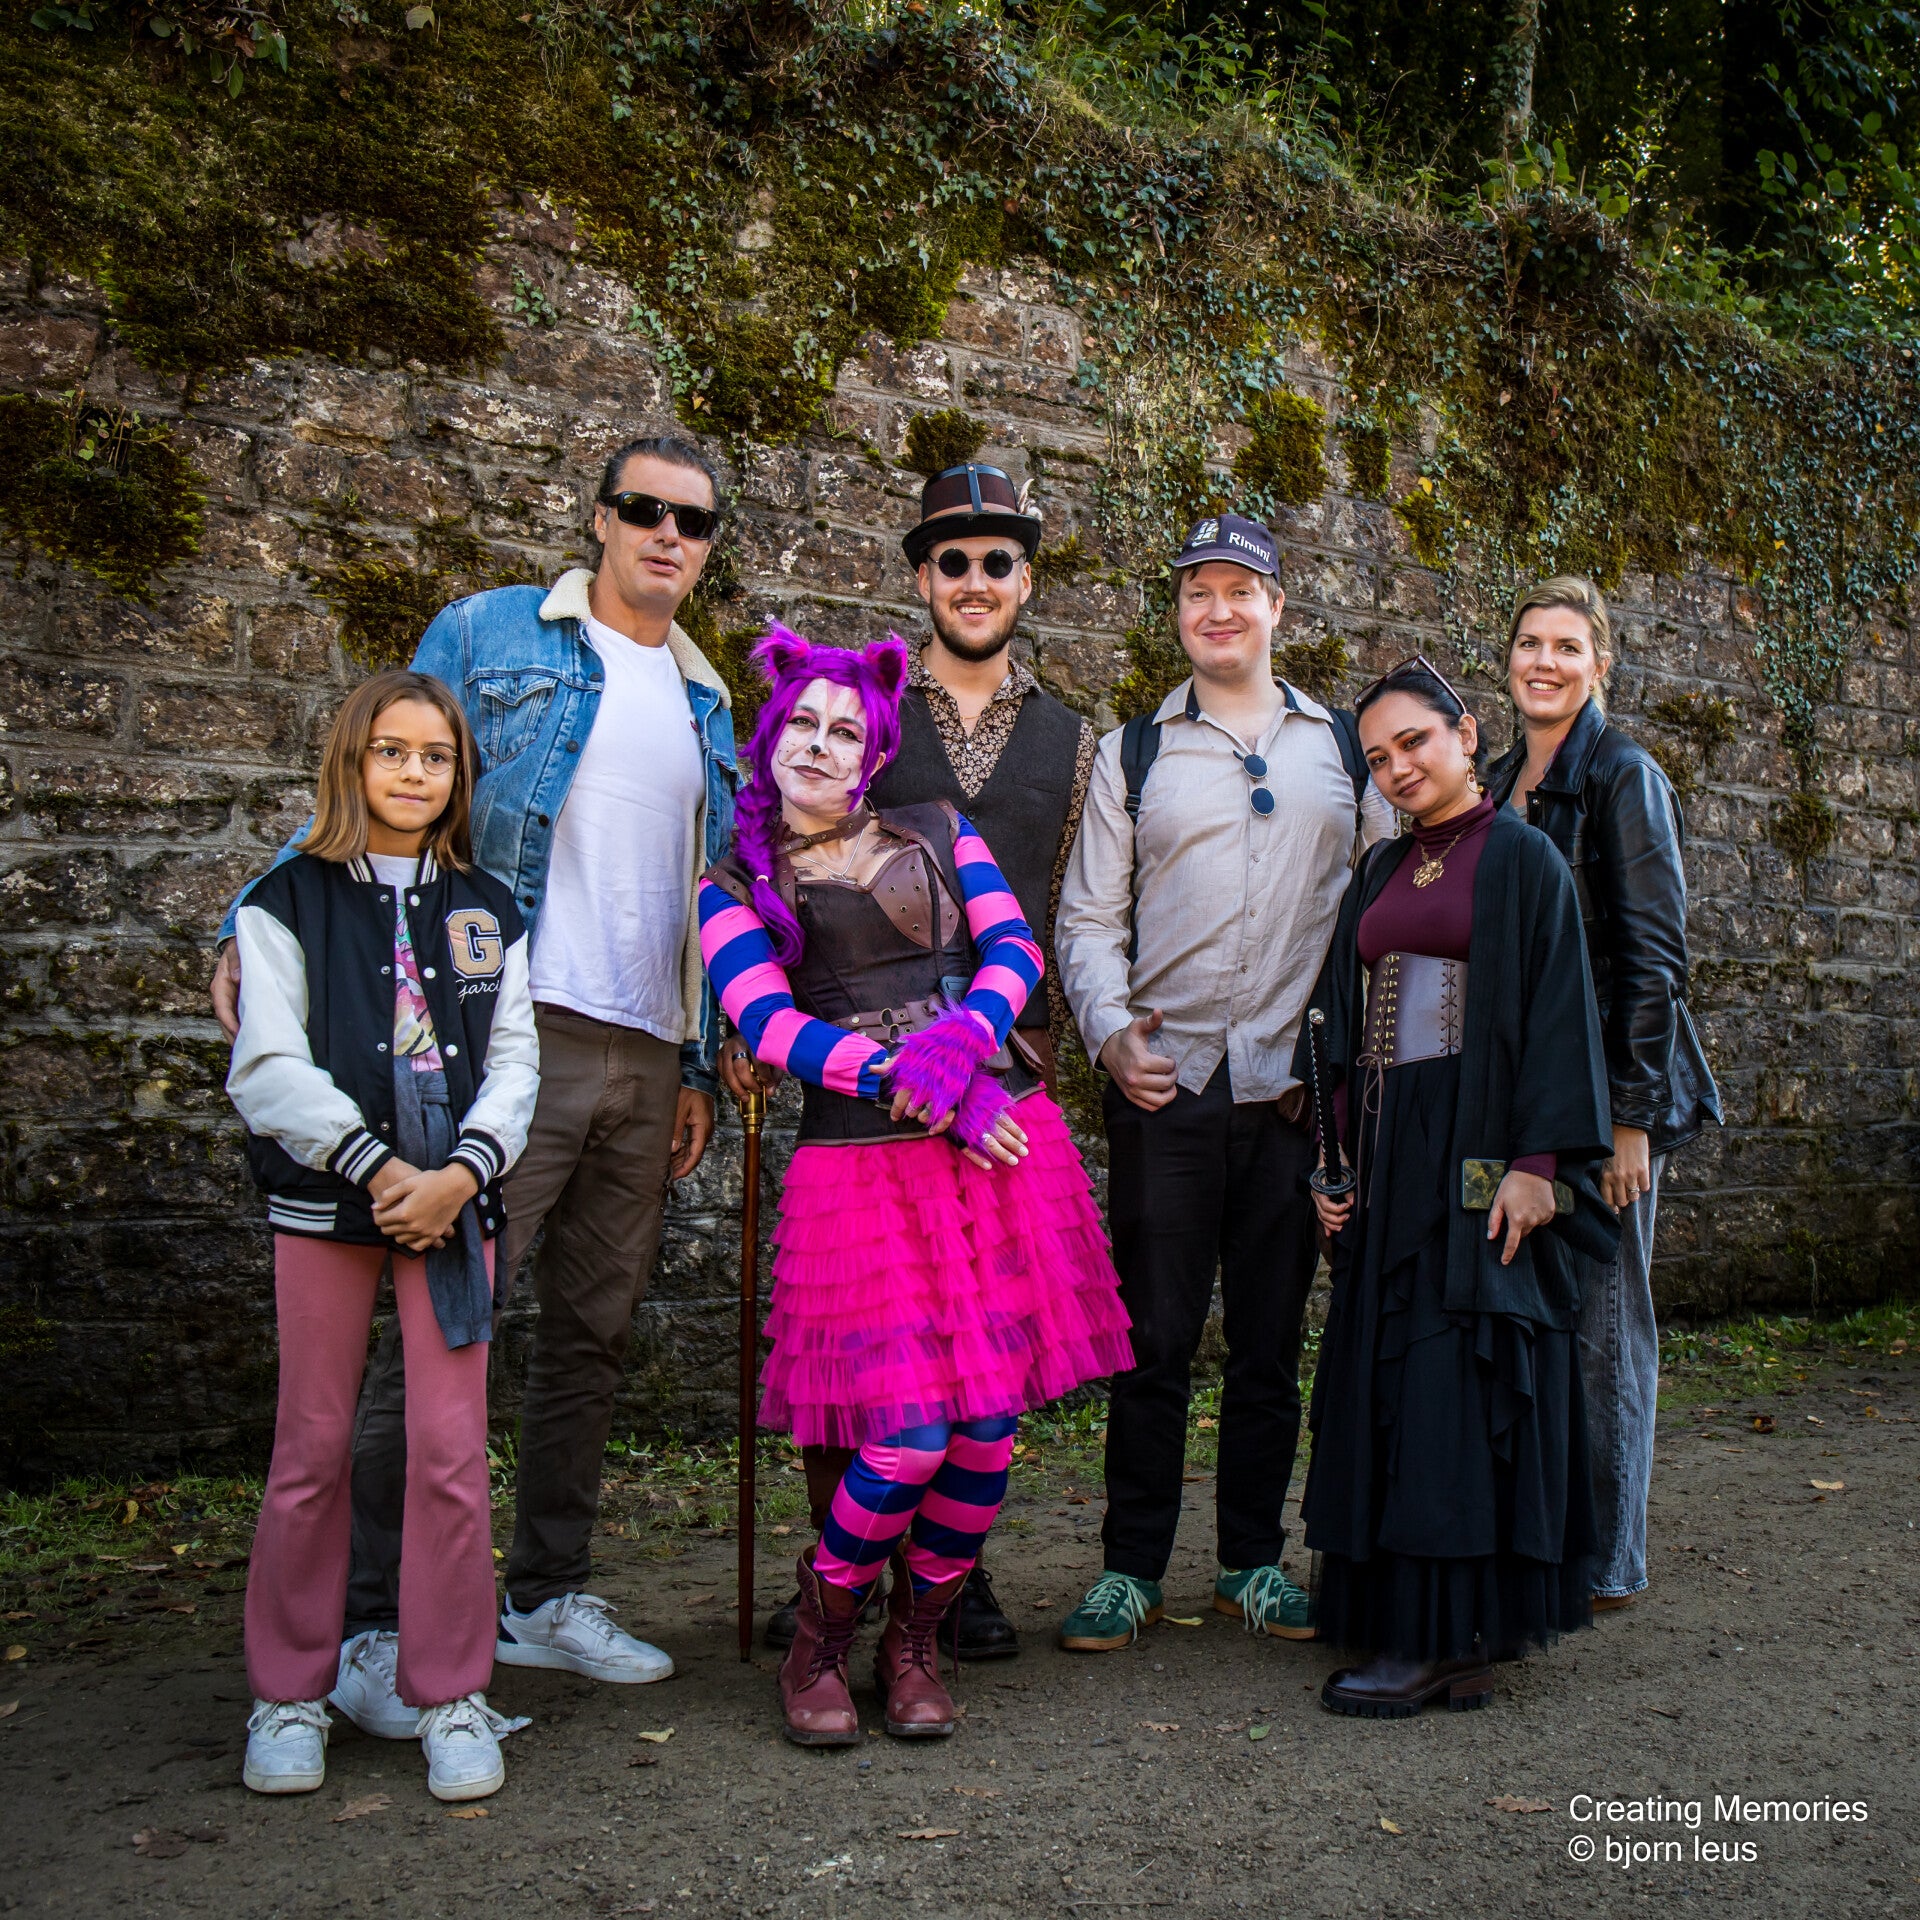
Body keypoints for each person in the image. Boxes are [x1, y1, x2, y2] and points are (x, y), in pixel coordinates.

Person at [212, 435, 737, 1732]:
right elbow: (375, 775)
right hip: (506, 1036)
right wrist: (250, 917)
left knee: (594, 1333)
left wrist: (693, 1059)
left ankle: (544, 1595)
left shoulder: (708, 701)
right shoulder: (491, 634)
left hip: (643, 1049)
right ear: (599, 518)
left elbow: (703, 892)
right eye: (644, 509)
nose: (668, 535)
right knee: (448, 1327)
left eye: (694, 522)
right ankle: (374, 1629)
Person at [699, 626, 1131, 1745]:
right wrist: (920, 1083)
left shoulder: (939, 828)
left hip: (998, 1156)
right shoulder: (732, 885)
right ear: (770, 738)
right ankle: (820, 1637)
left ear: (875, 753)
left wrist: (968, 1044)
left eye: (846, 731)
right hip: (862, 1177)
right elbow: (769, 1024)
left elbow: (1015, 951)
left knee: (984, 1432)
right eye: (802, 723)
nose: (821, 743)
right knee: (905, 1437)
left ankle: (917, 1640)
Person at [1053, 512, 1393, 1653]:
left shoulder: (1342, 749)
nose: (1219, 609)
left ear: (1276, 607)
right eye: (1198, 591)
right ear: (1179, 613)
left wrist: (1356, 1069)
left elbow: (1387, 901)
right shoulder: (1133, 754)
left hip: (1292, 1094)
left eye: (1240, 590)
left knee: (1268, 1343)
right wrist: (1110, 1036)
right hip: (1170, 1084)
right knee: (1150, 1340)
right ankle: (1131, 1570)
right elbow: (1087, 919)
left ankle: (1253, 1559)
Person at [227, 670, 539, 1801]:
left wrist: (459, 1173)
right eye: (391, 751)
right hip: (330, 1201)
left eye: (436, 756)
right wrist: (375, 1165)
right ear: (352, 760)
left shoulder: (488, 907)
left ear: (460, 774)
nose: (414, 772)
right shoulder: (282, 900)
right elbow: (267, 1065)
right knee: (311, 1447)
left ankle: (449, 1691)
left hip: (452, 1207)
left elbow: (516, 1060)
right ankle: (289, 1694)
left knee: (450, 1454)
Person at [1300, 656, 1621, 1718]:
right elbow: (1339, 1025)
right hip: (1390, 1154)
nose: (1398, 767)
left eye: (1415, 742)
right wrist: (1333, 1163)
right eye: (1378, 758)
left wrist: (1537, 1166)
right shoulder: (1380, 869)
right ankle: (1415, 1613)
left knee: (1453, 1371)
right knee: (1391, 1369)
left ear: (1465, 733)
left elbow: (1562, 1014)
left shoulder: (1524, 858)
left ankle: (1446, 1637)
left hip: (1478, 1148)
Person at [1485, 578, 1721, 1612]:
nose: (1545, 661)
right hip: (1526, 1094)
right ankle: (1547, 1539)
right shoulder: (1501, 780)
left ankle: (1612, 1558)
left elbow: (1655, 961)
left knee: (1605, 1326)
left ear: (1600, 664)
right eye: (1530, 643)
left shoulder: (1625, 774)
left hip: (1611, 1099)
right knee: (1533, 1316)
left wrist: (1631, 1121)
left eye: (1567, 646)